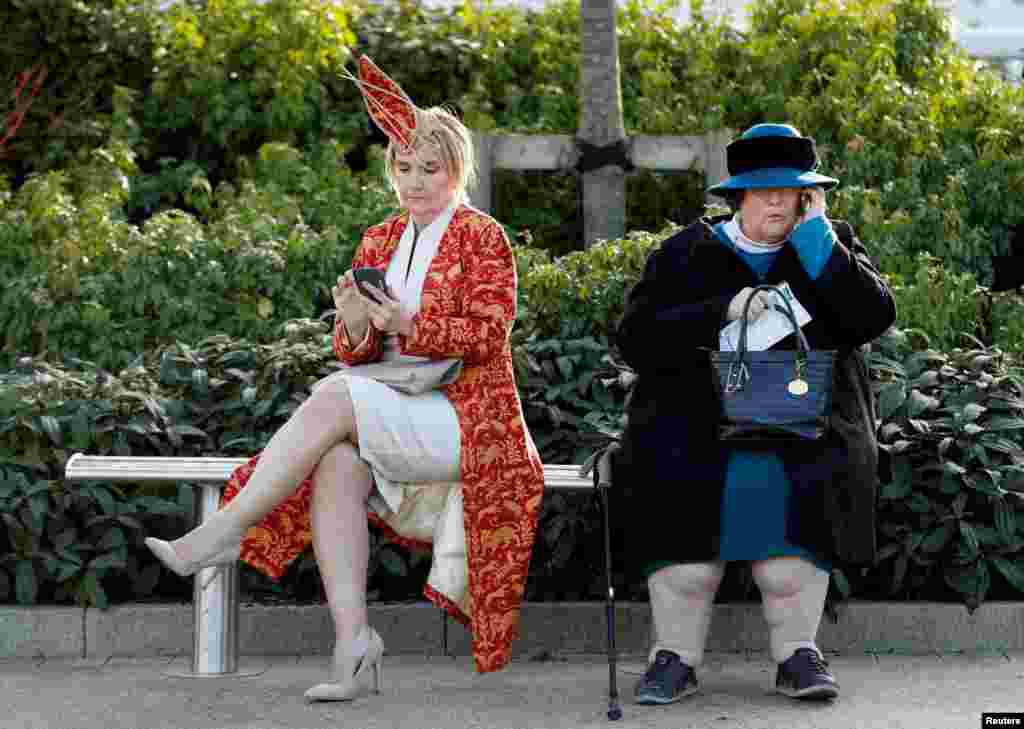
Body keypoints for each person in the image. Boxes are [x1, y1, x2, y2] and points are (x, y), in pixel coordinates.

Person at [144, 56, 545, 698]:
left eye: (429, 169)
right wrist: (357, 322)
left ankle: (225, 529)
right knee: (334, 463)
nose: (413, 182)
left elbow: (490, 336)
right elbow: (355, 352)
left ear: (457, 172)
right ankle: (353, 646)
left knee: (333, 396)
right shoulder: (381, 238)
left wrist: (411, 323)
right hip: (397, 407)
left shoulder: (482, 236)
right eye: (403, 167)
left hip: (471, 422)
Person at [613, 123, 896, 705]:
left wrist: (819, 243)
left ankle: (799, 654)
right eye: (762, 190)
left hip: (804, 430)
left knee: (787, 569)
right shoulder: (685, 251)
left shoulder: (828, 244)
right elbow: (635, 337)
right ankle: (673, 658)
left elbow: (871, 317)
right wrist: (723, 311)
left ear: (807, 196)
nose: (776, 201)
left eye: (790, 191)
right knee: (688, 567)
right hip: (696, 430)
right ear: (737, 195)